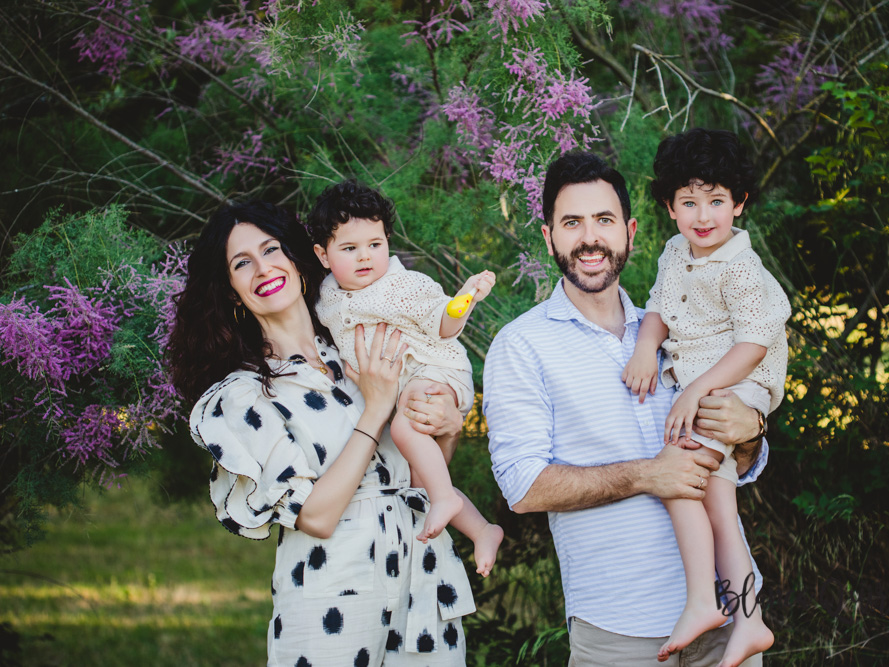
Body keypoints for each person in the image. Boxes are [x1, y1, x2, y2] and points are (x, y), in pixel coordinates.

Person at [483, 152, 769, 667]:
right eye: (572, 223)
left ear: (631, 232)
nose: (589, 238)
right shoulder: (521, 345)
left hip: (730, 619)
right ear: (548, 237)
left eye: (604, 220)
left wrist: (750, 433)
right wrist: (646, 475)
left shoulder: (682, 327)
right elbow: (522, 488)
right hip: (620, 627)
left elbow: (738, 462)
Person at [168, 200, 475, 666]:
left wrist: (447, 426)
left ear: (297, 260)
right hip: (333, 592)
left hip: (422, 577)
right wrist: (374, 411)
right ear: (232, 291)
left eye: (271, 250)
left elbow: (419, 478)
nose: (263, 269)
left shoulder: (363, 346)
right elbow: (315, 517)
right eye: (242, 263)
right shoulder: (246, 396)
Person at [622, 128, 787, 665]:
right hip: (704, 382)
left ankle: (700, 600)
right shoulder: (677, 251)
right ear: (669, 208)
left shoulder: (740, 266)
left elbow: (756, 343)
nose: (703, 215)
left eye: (717, 201)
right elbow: (658, 309)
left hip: (734, 385)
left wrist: (695, 387)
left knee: (677, 476)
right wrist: (647, 347)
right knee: (719, 507)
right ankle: (750, 620)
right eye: (688, 202)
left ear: (739, 203)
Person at [308, 180, 504, 576]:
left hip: (434, 368)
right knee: (420, 481)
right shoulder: (325, 296)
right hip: (402, 383)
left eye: (375, 245)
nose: (365, 257)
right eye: (350, 248)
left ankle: (445, 499)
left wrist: (462, 300)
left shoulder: (404, 286)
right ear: (323, 256)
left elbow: (443, 324)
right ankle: (482, 529)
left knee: (404, 430)